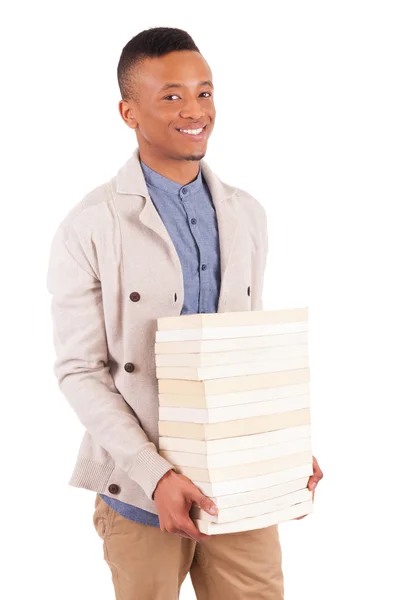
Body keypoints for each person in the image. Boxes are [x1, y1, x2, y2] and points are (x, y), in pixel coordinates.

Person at [47, 26, 323, 600]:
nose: (194, 110)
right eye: (171, 96)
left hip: (238, 487)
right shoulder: (91, 225)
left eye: (205, 92)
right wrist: (158, 475)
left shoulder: (248, 215)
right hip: (140, 493)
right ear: (129, 112)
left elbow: (246, 353)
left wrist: (281, 447)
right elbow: (80, 371)